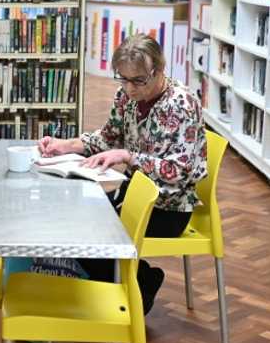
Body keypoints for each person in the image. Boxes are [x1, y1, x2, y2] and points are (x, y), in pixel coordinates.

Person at [39, 34, 207, 314]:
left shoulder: (182, 104)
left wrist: (129, 157)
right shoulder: (126, 96)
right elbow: (108, 138)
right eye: (123, 78)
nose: (130, 88)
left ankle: (130, 292)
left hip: (169, 207)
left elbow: (179, 170)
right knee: (72, 222)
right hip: (132, 194)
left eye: (139, 80)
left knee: (92, 234)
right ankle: (138, 281)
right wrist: (64, 145)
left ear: (160, 69)